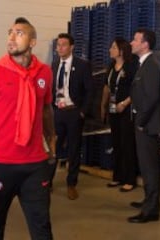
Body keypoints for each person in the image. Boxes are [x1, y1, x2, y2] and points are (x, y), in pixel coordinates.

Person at [0, 17, 55, 240]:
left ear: (33, 41)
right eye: (10, 32)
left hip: (35, 164)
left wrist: (51, 139)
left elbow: (46, 110)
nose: (11, 37)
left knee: (42, 226)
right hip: (2, 163)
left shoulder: (44, 72)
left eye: (19, 33)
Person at [50, 33, 93, 200]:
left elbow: (90, 90)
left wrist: (82, 111)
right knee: (53, 148)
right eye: (58, 45)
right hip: (57, 113)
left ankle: (71, 184)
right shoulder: (53, 65)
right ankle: (48, 181)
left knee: (74, 149)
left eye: (63, 45)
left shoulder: (82, 65)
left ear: (71, 47)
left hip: (74, 112)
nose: (59, 48)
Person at [128, 28, 160, 223]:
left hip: (147, 125)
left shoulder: (151, 66)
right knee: (146, 166)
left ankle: (151, 211)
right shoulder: (145, 64)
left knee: (149, 168)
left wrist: (140, 122)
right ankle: (149, 201)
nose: (132, 42)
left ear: (145, 44)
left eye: (135, 40)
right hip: (144, 123)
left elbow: (151, 99)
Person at [101, 37, 139, 192]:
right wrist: (102, 106)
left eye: (113, 47)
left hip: (126, 110)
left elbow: (136, 89)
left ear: (121, 51)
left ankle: (130, 179)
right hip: (113, 110)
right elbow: (107, 87)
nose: (110, 50)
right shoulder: (111, 66)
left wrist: (124, 103)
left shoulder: (131, 66)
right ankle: (118, 176)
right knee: (116, 143)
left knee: (127, 144)